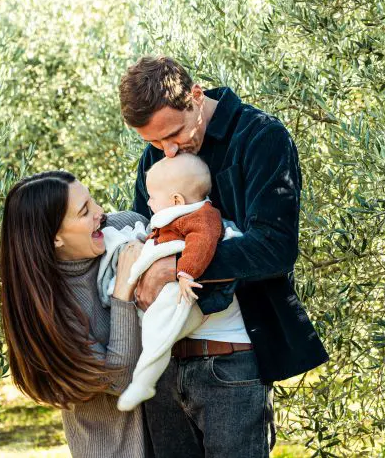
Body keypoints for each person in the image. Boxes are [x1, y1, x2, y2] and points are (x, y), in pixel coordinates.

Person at [119, 56, 330, 457]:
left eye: (175, 134)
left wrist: (178, 269)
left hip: (232, 365)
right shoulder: (158, 154)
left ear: (196, 96)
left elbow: (275, 248)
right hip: (163, 366)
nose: (167, 151)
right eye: (153, 143)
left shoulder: (261, 137)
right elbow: (149, 231)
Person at [0, 171, 151, 458]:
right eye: (85, 212)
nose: (101, 213)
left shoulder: (125, 228)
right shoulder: (50, 309)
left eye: (93, 201)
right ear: (55, 237)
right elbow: (121, 381)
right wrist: (122, 292)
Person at [103, 154, 241, 411]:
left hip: (181, 287)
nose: (148, 202)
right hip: (174, 288)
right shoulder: (177, 215)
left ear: (176, 200)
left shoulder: (201, 216)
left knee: (159, 328)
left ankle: (144, 379)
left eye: (153, 197)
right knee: (156, 325)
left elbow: (201, 245)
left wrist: (184, 272)